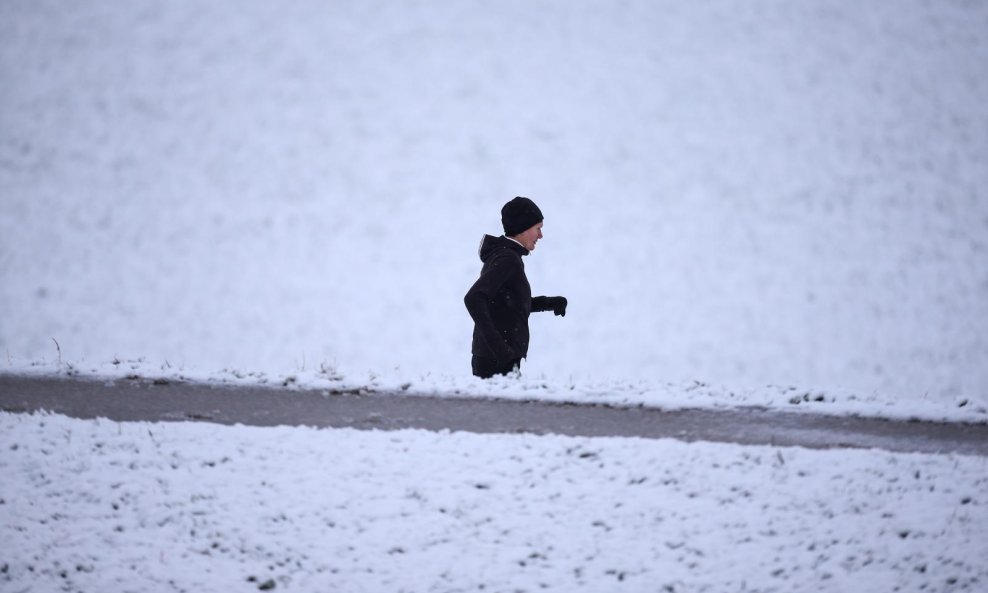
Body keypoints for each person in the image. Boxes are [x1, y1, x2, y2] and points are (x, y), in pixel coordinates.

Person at [464, 196, 567, 378]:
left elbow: (508, 302)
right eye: (538, 229)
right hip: (496, 360)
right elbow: (474, 298)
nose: (541, 236)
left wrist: (550, 303)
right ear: (522, 229)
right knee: (502, 407)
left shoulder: (507, 256)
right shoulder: (507, 259)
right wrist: (500, 349)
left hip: (495, 357)